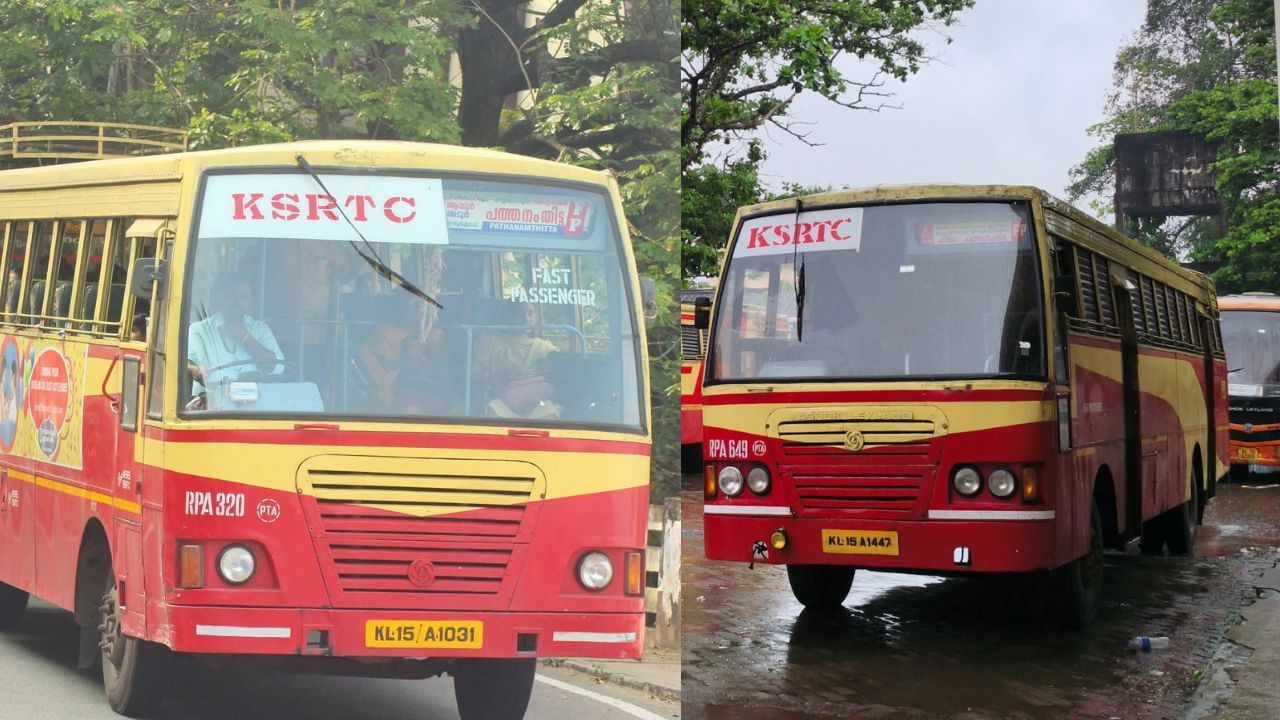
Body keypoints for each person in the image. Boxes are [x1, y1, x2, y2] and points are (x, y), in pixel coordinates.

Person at [187, 272, 283, 403]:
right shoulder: (200, 330)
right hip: (211, 408)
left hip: (259, 407)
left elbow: (276, 367)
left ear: (251, 302)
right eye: (233, 297)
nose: (237, 302)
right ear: (221, 299)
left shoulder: (260, 329)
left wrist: (245, 337)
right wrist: (195, 370)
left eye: (243, 297)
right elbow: (186, 363)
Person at [356, 296, 452, 413]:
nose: (419, 308)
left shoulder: (435, 334)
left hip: (436, 392)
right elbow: (387, 372)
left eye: (423, 305)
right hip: (397, 391)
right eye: (413, 302)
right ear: (400, 306)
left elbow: (443, 366)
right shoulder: (385, 333)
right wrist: (411, 359)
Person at [472, 301, 560, 417]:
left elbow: (557, 381)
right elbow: (473, 375)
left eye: (530, 314)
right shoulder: (489, 342)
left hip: (537, 407)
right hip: (501, 405)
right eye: (520, 314)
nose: (526, 319)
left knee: (550, 413)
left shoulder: (545, 348)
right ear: (509, 315)